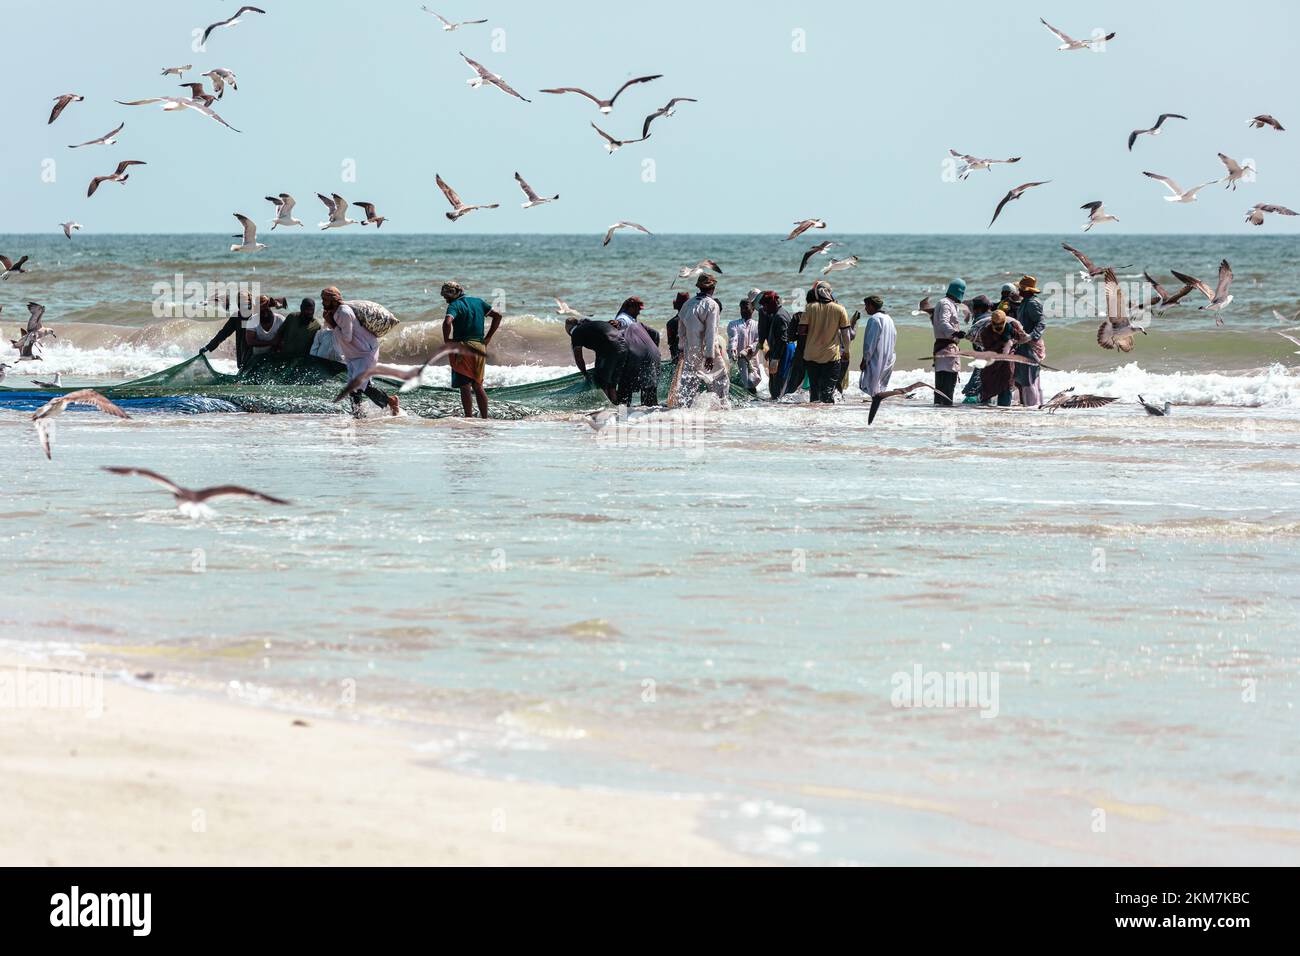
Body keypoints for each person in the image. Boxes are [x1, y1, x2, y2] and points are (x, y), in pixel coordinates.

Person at [322, 286, 399, 417]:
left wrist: (332, 324)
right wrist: (331, 322)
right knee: (357, 387)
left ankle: (390, 401)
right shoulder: (336, 312)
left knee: (359, 386)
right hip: (355, 355)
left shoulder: (344, 312)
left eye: (324, 300)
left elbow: (347, 337)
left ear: (333, 300)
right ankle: (358, 415)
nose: (322, 303)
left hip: (365, 352)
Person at [441, 280, 502, 418]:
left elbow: (447, 322)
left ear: (454, 294)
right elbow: (497, 316)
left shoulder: (454, 305)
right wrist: (488, 337)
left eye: (446, 295)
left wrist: (447, 340)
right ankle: (484, 418)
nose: (445, 298)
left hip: (463, 348)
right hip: (479, 347)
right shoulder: (478, 302)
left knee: (464, 386)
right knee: (478, 385)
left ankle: (468, 418)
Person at [798, 280, 851, 404]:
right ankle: (826, 418)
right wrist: (847, 351)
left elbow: (801, 330)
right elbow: (846, 333)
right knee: (828, 390)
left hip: (811, 355)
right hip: (831, 356)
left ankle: (816, 415)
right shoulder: (840, 309)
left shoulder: (809, 307)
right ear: (830, 293)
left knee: (814, 389)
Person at [676, 273, 725, 402]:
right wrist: (710, 355)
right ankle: (721, 408)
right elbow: (711, 331)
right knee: (720, 379)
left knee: (690, 382)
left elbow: (681, 330)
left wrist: (681, 348)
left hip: (690, 349)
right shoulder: (711, 305)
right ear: (713, 288)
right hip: (707, 349)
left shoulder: (687, 304)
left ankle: (685, 407)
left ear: (699, 287)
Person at [973, 308, 1028, 406]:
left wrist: (1011, 341)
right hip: (992, 363)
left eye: (1000, 324)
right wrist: (1005, 342)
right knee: (988, 387)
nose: (998, 326)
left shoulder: (1011, 329)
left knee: (1006, 387)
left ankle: (1003, 412)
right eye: (996, 324)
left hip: (1006, 364)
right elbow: (988, 347)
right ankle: (984, 412)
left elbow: (1022, 338)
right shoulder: (986, 332)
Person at [567, 316, 627, 404]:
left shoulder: (576, 332)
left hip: (609, 349)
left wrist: (585, 373)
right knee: (612, 385)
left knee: (602, 383)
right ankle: (621, 413)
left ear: (569, 328)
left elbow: (578, 358)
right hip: (624, 347)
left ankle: (608, 411)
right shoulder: (590, 326)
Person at [931, 278, 968, 405]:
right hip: (947, 349)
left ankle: (940, 411)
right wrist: (955, 333)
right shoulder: (946, 304)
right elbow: (943, 322)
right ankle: (946, 410)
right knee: (948, 384)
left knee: (940, 386)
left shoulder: (947, 303)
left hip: (943, 349)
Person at [199, 291, 256, 371]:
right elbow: (223, 334)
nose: (244, 307)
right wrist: (208, 347)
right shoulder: (236, 318)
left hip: (258, 354)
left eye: (246, 304)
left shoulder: (258, 315)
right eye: (241, 304)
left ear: (250, 302)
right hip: (243, 356)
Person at [1013, 275, 1046, 407]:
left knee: (1029, 379)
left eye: (1020, 289)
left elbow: (1041, 323)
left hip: (1030, 347)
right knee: (1022, 379)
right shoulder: (1025, 302)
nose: (1018, 291)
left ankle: (1031, 407)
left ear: (1027, 290)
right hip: (1023, 346)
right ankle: (1028, 405)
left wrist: (1031, 336)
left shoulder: (1033, 303)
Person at [756, 291, 794, 399]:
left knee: (779, 380)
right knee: (775, 380)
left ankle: (779, 404)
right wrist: (771, 351)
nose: (764, 309)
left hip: (784, 351)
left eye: (765, 306)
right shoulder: (779, 313)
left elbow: (782, 340)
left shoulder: (780, 317)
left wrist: (776, 358)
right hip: (780, 349)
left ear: (771, 304)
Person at [857, 295, 896, 397]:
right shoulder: (888, 318)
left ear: (871, 306)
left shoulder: (874, 319)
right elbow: (894, 337)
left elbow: (870, 343)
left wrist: (865, 360)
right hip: (888, 356)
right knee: (880, 387)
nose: (865, 309)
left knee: (873, 387)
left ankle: (874, 408)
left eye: (866, 306)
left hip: (876, 358)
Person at [617, 317, 661, 407]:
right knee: (649, 391)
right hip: (654, 355)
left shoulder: (618, 334)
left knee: (624, 389)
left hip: (635, 356)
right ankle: (651, 417)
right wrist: (653, 347)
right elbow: (656, 334)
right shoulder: (638, 325)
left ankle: (623, 417)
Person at [961, 295, 993, 403]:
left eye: (973, 308)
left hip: (983, 359)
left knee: (974, 391)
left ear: (978, 309)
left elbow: (976, 344)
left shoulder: (979, 321)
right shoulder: (995, 317)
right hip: (997, 357)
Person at [727, 296, 762, 394]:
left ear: (753, 309)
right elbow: (733, 338)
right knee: (742, 383)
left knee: (753, 380)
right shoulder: (733, 324)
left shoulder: (757, 325)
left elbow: (759, 341)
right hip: (738, 358)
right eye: (741, 308)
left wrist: (750, 348)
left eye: (746, 308)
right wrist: (733, 349)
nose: (743, 310)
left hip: (752, 358)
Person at [245, 295, 285, 360]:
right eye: (262, 311)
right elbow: (250, 341)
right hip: (258, 356)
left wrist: (278, 345)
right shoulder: (252, 320)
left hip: (276, 354)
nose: (265, 313)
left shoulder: (280, 319)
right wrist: (271, 343)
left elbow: (286, 338)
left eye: (266, 309)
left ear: (269, 307)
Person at [665, 291, 688, 363]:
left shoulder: (671, 323)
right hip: (693, 356)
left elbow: (670, 343)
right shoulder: (694, 320)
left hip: (677, 358)